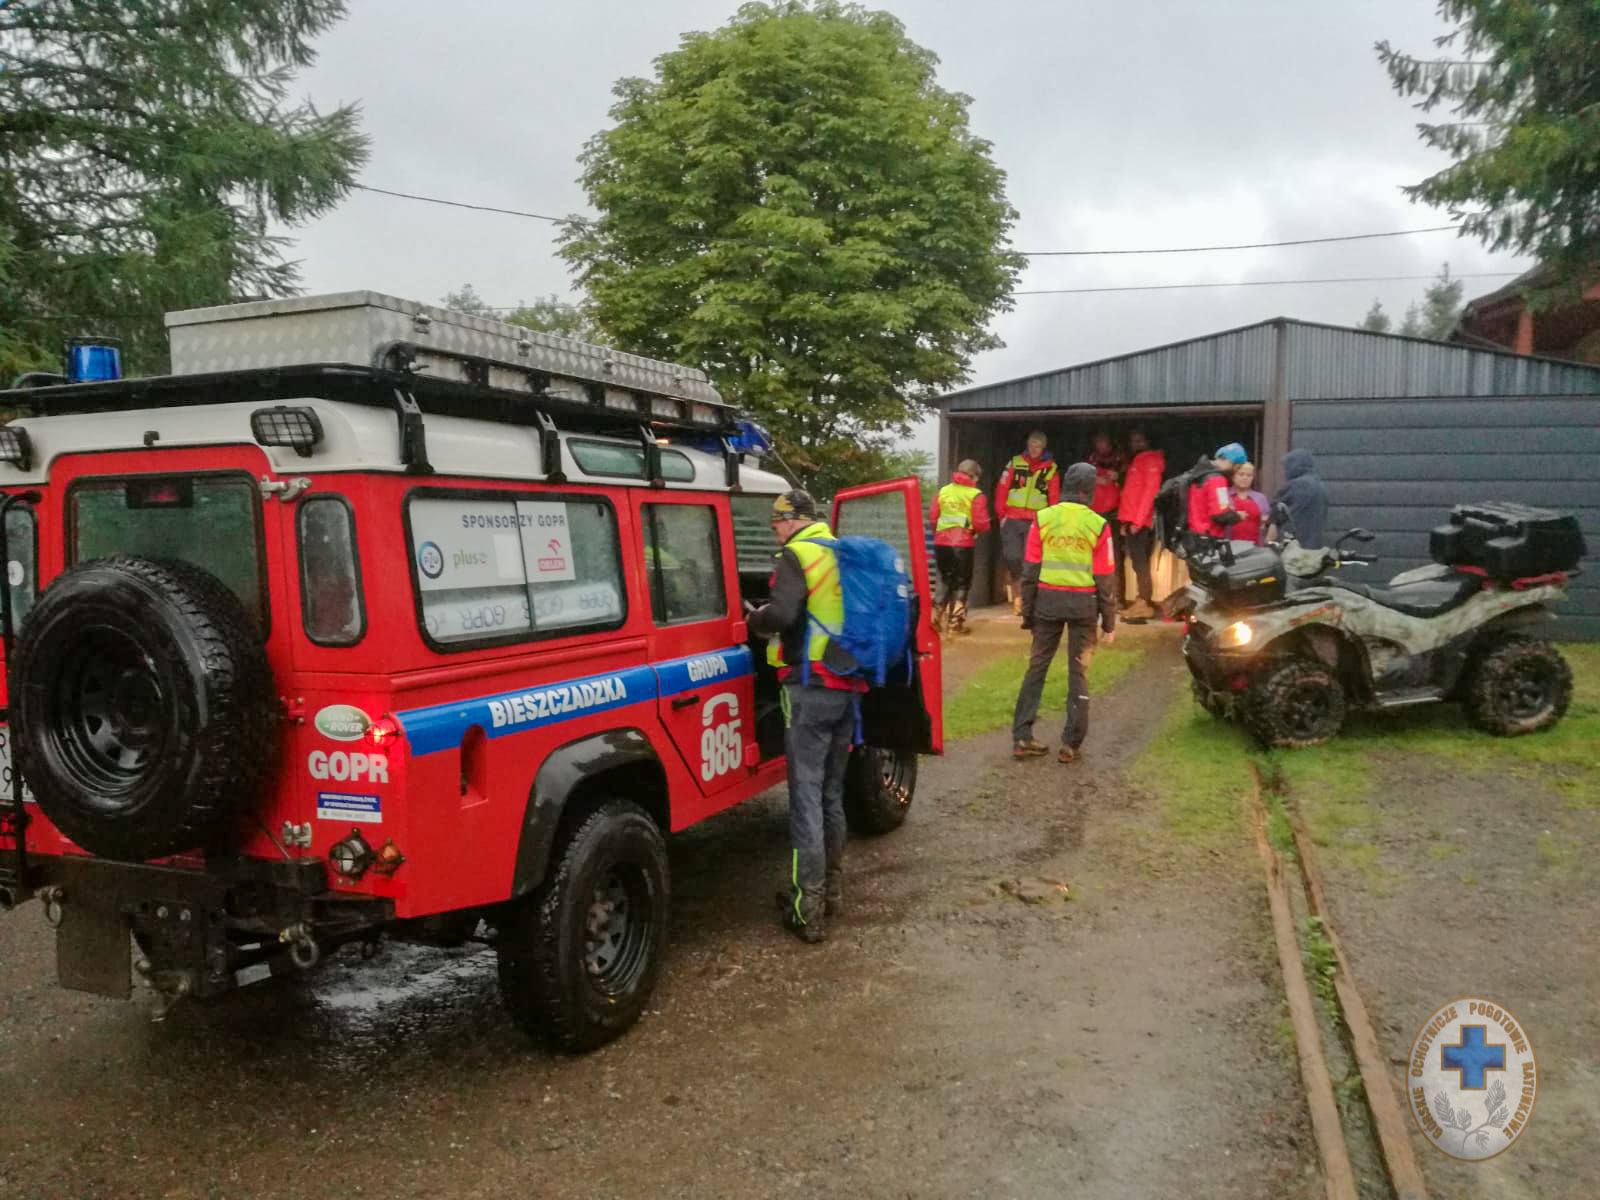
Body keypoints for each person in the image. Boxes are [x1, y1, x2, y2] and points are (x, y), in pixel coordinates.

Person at [747, 490, 865, 944]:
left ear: (793, 520)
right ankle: (831, 894)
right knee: (831, 794)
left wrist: (756, 619)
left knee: (805, 798)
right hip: (846, 685)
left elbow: (783, 614)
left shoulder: (797, 555)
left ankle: (806, 907)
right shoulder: (840, 551)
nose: (774, 530)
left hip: (809, 687)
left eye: (776, 522)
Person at [1011, 463, 1116, 765]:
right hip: (1083, 607)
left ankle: (1021, 737)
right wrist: (1109, 621)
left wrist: (1027, 612)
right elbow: (1105, 577)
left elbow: (1029, 571)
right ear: (1090, 489)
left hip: (1047, 603)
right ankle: (1070, 744)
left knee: (1037, 668)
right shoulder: (1098, 525)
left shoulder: (1042, 519)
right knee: (1078, 672)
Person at [993, 431, 1059, 615]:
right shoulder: (1015, 462)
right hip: (1012, 518)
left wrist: (1049, 521)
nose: (1034, 450)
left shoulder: (1051, 468)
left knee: (1031, 561)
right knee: (1013, 557)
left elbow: (1053, 497)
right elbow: (1002, 487)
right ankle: (1019, 594)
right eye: (1031, 446)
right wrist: (1002, 514)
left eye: (1037, 446)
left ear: (1043, 447)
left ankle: (1023, 600)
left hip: (1035, 520)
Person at [929, 458, 991, 636]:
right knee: (962, 583)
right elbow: (981, 523)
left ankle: (936, 617)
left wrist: (939, 533)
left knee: (944, 579)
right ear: (974, 476)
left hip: (941, 543)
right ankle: (955, 624)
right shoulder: (975, 494)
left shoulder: (943, 491)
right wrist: (979, 529)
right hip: (963, 544)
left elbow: (933, 517)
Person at [1116, 430, 1165, 619]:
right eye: (1133, 440)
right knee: (1138, 564)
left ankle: (1144, 602)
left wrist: (1137, 520)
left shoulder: (1150, 461)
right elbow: (1132, 493)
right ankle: (1141, 600)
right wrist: (1125, 521)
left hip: (1140, 521)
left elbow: (1149, 494)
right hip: (1133, 519)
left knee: (1141, 563)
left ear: (1147, 441)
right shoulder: (1139, 461)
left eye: (1139, 440)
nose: (1135, 444)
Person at [1086, 431, 1125, 605]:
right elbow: (1080, 480)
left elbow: (1129, 481)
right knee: (1090, 555)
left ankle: (1116, 597)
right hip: (1093, 513)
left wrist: (1118, 477)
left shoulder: (1120, 459)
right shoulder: (1090, 460)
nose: (1102, 446)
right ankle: (1091, 594)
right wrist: (1094, 479)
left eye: (1104, 442)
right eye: (1098, 442)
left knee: (1114, 556)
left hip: (1113, 513)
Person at [1186, 442, 1247, 541]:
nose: (1236, 470)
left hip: (1193, 536)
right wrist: (1237, 516)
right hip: (1208, 540)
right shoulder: (1218, 480)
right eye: (1238, 466)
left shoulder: (1198, 474)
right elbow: (1220, 514)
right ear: (1232, 462)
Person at [1273, 448, 1329, 549]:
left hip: (1296, 545)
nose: (1285, 471)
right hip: (1316, 543)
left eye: (1287, 467)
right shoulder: (1320, 485)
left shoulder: (1297, 484)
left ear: (1295, 465)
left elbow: (1275, 509)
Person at [1229, 461, 1270, 546]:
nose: (1245, 478)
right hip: (1228, 546)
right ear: (1233, 476)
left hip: (1254, 547)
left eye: (1249, 475)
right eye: (1241, 474)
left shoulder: (1260, 498)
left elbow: (1266, 523)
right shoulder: (1225, 495)